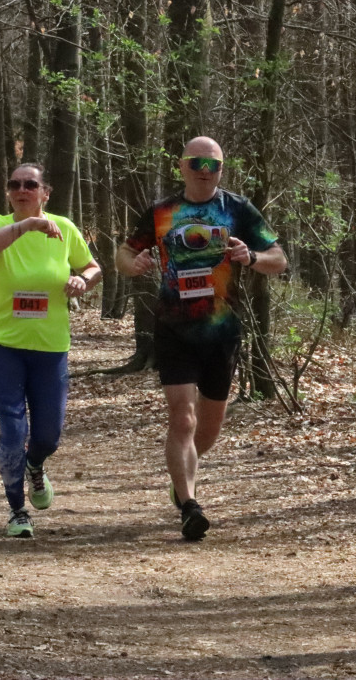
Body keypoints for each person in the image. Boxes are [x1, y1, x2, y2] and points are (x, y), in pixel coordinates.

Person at [116, 136, 287, 541]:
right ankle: (190, 506)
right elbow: (123, 255)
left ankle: (181, 479)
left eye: (213, 165)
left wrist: (252, 258)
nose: (205, 171)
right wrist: (135, 263)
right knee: (182, 416)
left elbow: (278, 259)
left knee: (206, 431)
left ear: (222, 170)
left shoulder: (238, 209)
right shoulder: (161, 212)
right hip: (174, 328)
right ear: (182, 166)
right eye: (197, 163)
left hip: (221, 331)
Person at [0, 163, 102, 538]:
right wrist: (26, 226)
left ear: (45, 193)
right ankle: (16, 510)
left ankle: (35, 465)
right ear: (7, 191)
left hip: (50, 348)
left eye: (31, 185)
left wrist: (83, 280)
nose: (22, 189)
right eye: (14, 184)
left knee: (47, 435)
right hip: (4, 346)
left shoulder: (65, 228)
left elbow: (94, 267)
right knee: (13, 430)